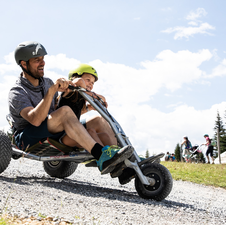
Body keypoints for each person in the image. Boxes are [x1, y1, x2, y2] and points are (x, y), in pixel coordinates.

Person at [8, 41, 133, 175]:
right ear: (24, 64)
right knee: (65, 111)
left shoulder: (47, 82)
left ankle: (125, 163)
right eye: (37, 60)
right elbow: (36, 120)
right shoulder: (17, 92)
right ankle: (100, 154)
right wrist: (51, 92)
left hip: (54, 130)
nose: (42, 63)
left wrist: (88, 109)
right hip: (28, 137)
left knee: (97, 119)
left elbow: (56, 111)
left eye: (43, 59)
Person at [56, 63, 112, 148]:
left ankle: (118, 154)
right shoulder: (69, 90)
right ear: (74, 77)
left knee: (104, 136)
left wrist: (89, 107)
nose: (90, 84)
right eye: (88, 80)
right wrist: (92, 95)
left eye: (93, 83)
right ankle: (104, 155)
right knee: (90, 132)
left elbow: (75, 113)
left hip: (73, 132)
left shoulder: (82, 97)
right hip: (62, 135)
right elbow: (79, 81)